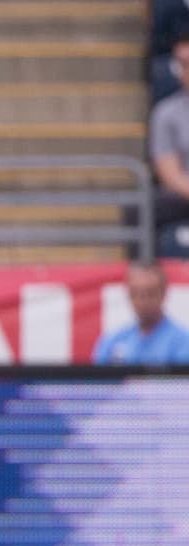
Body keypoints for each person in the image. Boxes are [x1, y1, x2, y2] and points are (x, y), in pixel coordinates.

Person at [92, 262, 189, 364]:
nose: (143, 301)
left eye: (150, 293)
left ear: (164, 293)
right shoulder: (112, 341)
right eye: (135, 293)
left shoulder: (182, 342)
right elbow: (95, 378)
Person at [150, 30, 189, 229]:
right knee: (143, 210)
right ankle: (144, 261)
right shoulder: (165, 112)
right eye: (182, 64)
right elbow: (169, 173)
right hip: (184, 194)